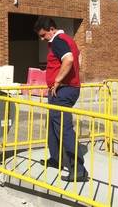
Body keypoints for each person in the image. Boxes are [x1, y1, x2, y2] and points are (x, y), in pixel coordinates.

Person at [34, 17, 88, 182]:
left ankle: (78, 170)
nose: (43, 39)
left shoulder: (58, 40)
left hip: (63, 90)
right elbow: (77, 59)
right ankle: (56, 159)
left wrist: (57, 81)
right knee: (53, 127)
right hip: (65, 89)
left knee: (64, 130)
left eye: (44, 35)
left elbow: (69, 59)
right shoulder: (67, 40)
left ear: (51, 29)